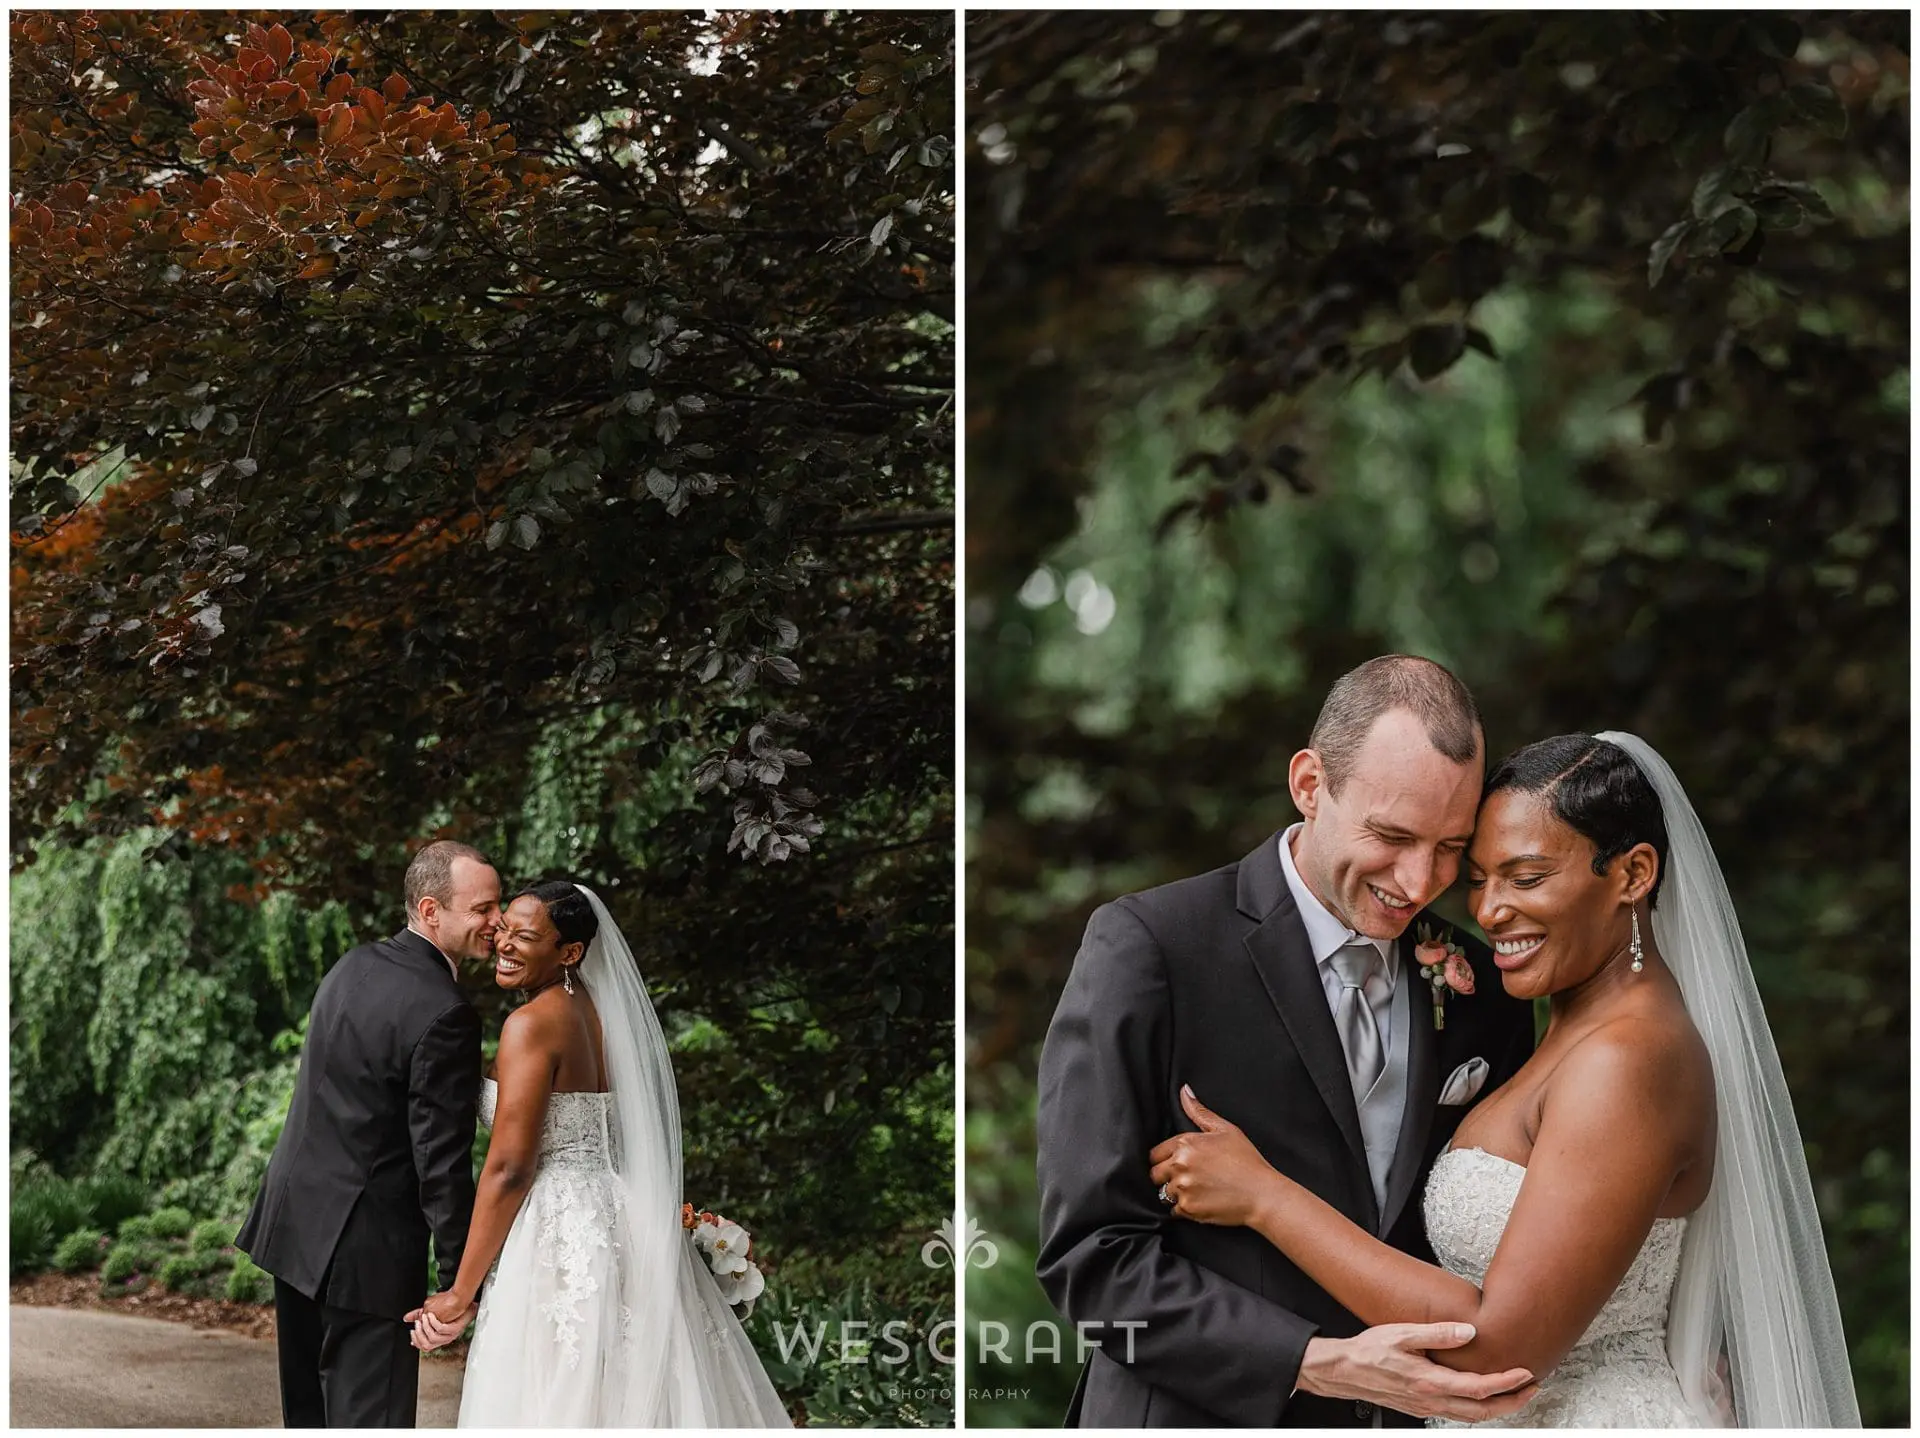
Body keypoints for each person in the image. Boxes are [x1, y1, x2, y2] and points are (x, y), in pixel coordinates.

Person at [1152, 733, 1860, 1427]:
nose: (1488, 912)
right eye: (1480, 880)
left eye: (1525, 878)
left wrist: (1264, 1198)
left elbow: (1500, 1347)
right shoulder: (1565, 1029)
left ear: (1633, 874)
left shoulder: (1629, 1058)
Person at [1036, 655, 1540, 1427]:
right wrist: (1318, 1364)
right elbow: (1091, 1260)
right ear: (1309, 784)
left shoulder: (1484, 989)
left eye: (1450, 848)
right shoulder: (1153, 949)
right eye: (1392, 836)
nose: (1417, 882)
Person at [407, 880, 792, 1427]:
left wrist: (459, 1291)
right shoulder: (606, 1018)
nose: (505, 944)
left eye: (526, 937)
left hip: (555, 1230)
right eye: (505, 931)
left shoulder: (531, 1026)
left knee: (556, 1391)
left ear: (569, 952)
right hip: (621, 1217)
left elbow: (511, 1169)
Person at [237, 839, 500, 1428]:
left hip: (296, 1228)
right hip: (368, 1254)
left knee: (308, 1416)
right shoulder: (447, 1012)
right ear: (431, 910)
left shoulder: (353, 964)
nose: (497, 920)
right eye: (482, 908)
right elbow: (441, 1163)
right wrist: (459, 1285)